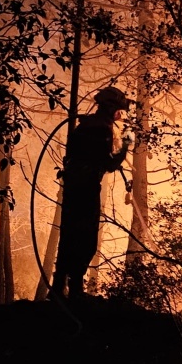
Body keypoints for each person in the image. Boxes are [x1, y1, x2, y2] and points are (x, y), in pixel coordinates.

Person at [49, 86, 134, 299]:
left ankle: (59, 286)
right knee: (85, 239)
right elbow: (108, 164)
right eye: (118, 110)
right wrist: (125, 146)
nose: (119, 115)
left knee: (69, 235)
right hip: (86, 189)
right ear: (110, 107)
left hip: (73, 188)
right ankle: (75, 288)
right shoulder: (101, 129)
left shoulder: (84, 126)